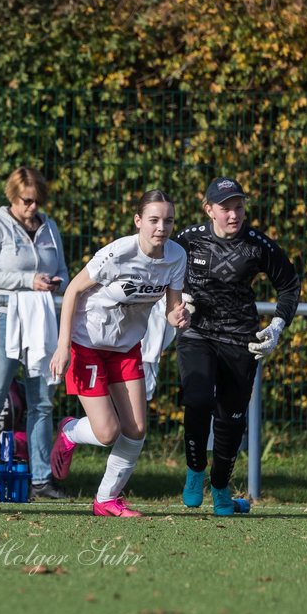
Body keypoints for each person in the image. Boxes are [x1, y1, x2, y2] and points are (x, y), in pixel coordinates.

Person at [48, 190, 189, 517]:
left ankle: (106, 499)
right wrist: (62, 346)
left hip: (126, 348)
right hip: (88, 345)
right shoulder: (117, 254)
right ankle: (70, 431)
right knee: (108, 433)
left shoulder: (176, 256)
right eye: (153, 220)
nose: (161, 227)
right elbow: (72, 291)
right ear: (138, 221)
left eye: (168, 220)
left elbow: (171, 309)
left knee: (137, 429)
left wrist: (179, 317)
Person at [174, 176, 300, 516]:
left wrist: (277, 326)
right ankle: (195, 469)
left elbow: (289, 285)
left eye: (239, 207)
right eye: (226, 208)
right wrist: (178, 301)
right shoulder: (188, 239)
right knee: (198, 399)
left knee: (230, 417)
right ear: (209, 210)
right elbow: (162, 269)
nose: (233, 215)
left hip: (240, 338)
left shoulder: (259, 245)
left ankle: (219, 486)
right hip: (196, 333)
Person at [0, 166, 70, 499]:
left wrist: (55, 285)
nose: (32, 208)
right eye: (26, 201)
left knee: (42, 400)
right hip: (2, 317)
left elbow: (63, 272)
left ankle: (41, 479)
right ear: (12, 197)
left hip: (42, 319)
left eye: (37, 201)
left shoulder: (49, 227)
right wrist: (28, 281)